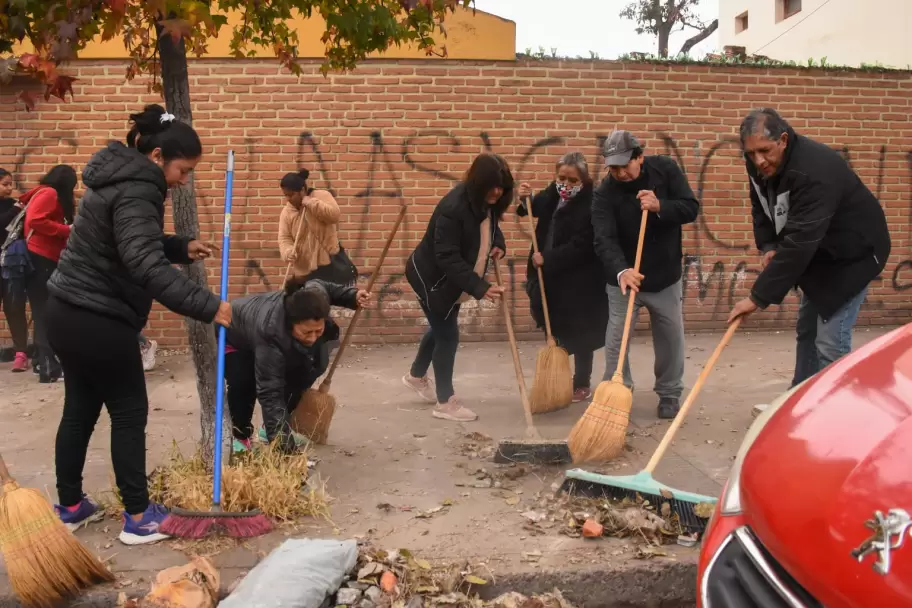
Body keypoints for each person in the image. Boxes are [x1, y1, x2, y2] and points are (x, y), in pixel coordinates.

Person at [46, 104, 232, 545]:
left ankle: (70, 506)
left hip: (65, 311)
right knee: (129, 412)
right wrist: (209, 306)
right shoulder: (139, 190)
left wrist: (180, 247)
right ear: (157, 157)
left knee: (80, 410)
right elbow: (144, 264)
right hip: (99, 318)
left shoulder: (118, 180)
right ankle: (138, 517)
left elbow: (130, 243)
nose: (183, 180)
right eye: (183, 170)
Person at [728, 108, 891, 387]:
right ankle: (800, 399)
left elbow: (800, 242)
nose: (758, 161)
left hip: (853, 255)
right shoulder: (759, 162)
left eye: (765, 151)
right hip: (819, 251)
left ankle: (834, 412)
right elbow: (761, 204)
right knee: (807, 329)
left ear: (783, 140)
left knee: (830, 340)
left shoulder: (814, 170)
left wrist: (756, 298)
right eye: (751, 153)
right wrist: (769, 244)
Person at [591, 130, 700, 419]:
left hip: (664, 275)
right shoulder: (604, 194)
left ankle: (669, 393)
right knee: (617, 338)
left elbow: (690, 208)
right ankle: (618, 392)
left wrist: (661, 205)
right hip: (624, 278)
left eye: (625, 165)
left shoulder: (665, 169)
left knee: (670, 337)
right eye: (613, 167)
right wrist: (622, 271)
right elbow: (604, 238)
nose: (620, 173)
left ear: (639, 157)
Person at [402, 153, 512, 422]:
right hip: (432, 279)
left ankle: (416, 376)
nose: (497, 192)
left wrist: (498, 243)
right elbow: (447, 256)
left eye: (501, 187)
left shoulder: (485, 202)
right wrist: (480, 286)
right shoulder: (454, 208)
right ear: (478, 183)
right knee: (447, 334)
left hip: (452, 281)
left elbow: (492, 224)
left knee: (440, 328)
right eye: (492, 186)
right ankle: (445, 401)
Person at [224, 277, 370, 454]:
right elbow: (270, 393)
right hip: (234, 335)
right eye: (307, 332)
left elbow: (323, 284)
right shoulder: (271, 332)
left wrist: (352, 296)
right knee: (244, 383)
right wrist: (285, 451)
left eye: (319, 330)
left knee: (303, 372)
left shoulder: (315, 295)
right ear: (291, 324)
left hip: (265, 334)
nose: (313, 337)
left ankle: (270, 429)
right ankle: (241, 437)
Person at [516, 152, 609, 402]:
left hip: (579, 278)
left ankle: (581, 383)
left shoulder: (592, 202)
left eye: (573, 180)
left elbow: (584, 244)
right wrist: (525, 199)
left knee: (581, 332)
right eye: (561, 178)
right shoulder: (555, 192)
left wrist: (549, 258)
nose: (566, 185)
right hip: (548, 274)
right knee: (554, 325)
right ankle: (557, 379)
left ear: (584, 180)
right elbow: (535, 208)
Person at [22, 164, 77, 383]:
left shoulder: (41, 192)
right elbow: (35, 220)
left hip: (41, 257)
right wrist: (66, 230)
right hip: (41, 257)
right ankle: (48, 368)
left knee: (42, 311)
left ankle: (40, 363)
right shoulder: (49, 193)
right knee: (45, 312)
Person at [278, 169, 341, 279]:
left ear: (302, 190)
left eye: (291, 195)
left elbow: (334, 216)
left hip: (329, 265)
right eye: (285, 195)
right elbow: (284, 238)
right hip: (303, 270)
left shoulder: (322, 196)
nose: (288, 199)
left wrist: (311, 202)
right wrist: (288, 251)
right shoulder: (286, 212)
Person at [0, 168, 30, 372]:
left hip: (10, 265)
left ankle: (21, 353)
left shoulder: (13, 205)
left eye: (11, 183)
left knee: (15, 307)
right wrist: (16, 211)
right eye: (5, 184)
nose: (10, 188)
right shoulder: (14, 208)